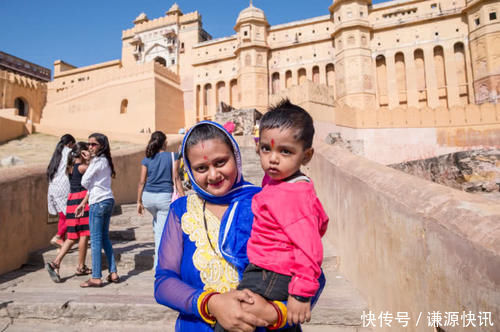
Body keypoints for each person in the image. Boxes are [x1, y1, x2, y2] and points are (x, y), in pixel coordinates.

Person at [154, 121, 325, 332]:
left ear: (235, 156)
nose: (214, 175)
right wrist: (212, 304)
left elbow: (312, 271)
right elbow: (163, 282)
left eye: (221, 162)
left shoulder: (267, 202)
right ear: (189, 170)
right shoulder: (181, 212)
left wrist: (275, 312)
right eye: (201, 168)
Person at [216, 99, 329, 332]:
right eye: (266, 148)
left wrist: (301, 293)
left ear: (306, 156)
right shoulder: (279, 181)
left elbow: (309, 247)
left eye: (285, 151)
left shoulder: (294, 194)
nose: (273, 158)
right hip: (264, 271)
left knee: (234, 320)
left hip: (272, 275)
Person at [75, 133, 119, 288]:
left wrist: (89, 162)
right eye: (88, 144)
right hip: (107, 199)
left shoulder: (97, 161)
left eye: (93, 144)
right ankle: (113, 272)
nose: (90, 147)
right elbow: (96, 184)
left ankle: (96, 277)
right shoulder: (106, 160)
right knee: (105, 238)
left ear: (102, 145)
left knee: (95, 240)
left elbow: (85, 181)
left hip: (98, 203)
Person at [137, 131, 185, 269]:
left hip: (148, 197)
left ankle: (162, 260)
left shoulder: (147, 159)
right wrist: (183, 196)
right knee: (161, 233)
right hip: (164, 197)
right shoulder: (172, 156)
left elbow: (141, 182)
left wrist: (138, 201)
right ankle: (159, 266)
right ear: (164, 142)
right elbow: (176, 178)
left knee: (157, 224)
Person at [46, 142, 91, 283]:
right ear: (82, 153)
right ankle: (80, 266)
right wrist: (89, 159)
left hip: (71, 201)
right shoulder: (83, 167)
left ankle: (55, 263)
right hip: (81, 201)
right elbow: (97, 172)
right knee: (84, 234)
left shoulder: (70, 168)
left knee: (72, 236)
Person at [47, 134, 76, 248]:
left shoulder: (57, 153)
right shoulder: (70, 152)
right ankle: (58, 236)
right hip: (64, 187)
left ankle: (61, 243)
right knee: (71, 216)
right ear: (70, 144)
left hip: (53, 187)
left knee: (62, 216)